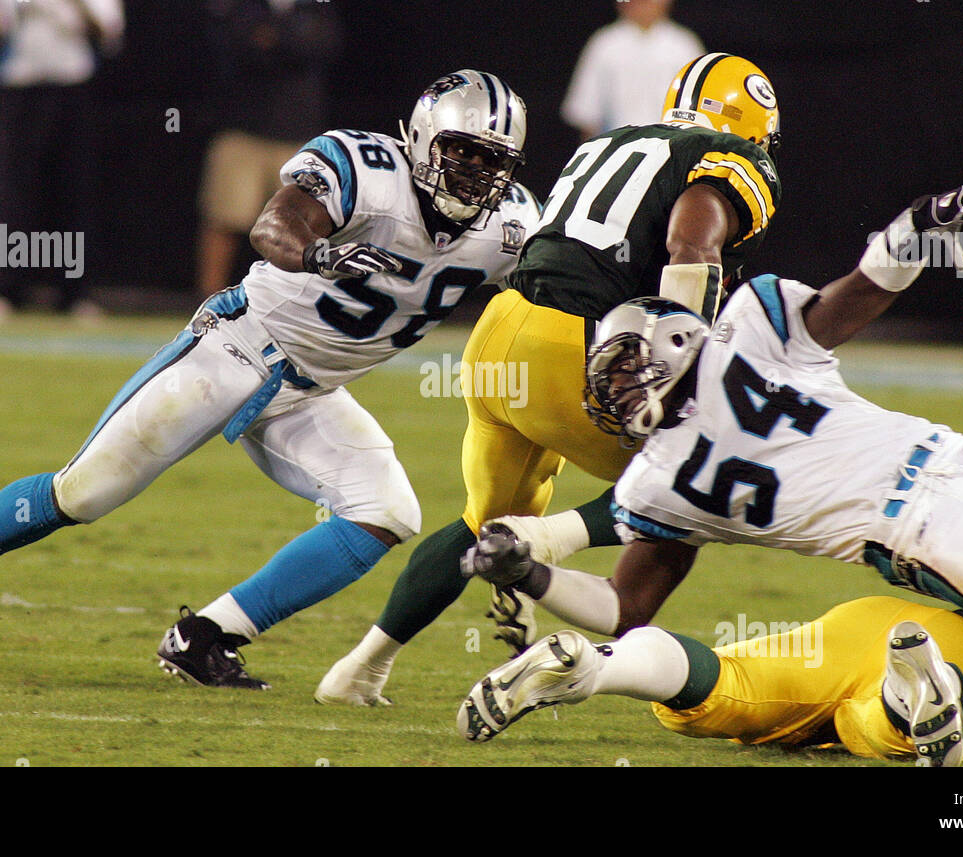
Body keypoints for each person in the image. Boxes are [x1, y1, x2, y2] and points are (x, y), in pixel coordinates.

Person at [0, 71, 539, 690]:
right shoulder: (366, 167)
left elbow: (553, 296)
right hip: (237, 348)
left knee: (386, 511)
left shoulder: (512, 224)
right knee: (82, 493)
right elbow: (274, 225)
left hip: (314, 391)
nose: (476, 174)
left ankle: (206, 636)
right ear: (420, 139)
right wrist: (321, 254)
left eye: (494, 161)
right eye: (463, 152)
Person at [459, 180, 963, 758]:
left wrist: (914, 228)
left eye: (627, 366)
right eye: (611, 380)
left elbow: (859, 294)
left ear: (678, 338)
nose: (619, 391)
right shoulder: (656, 479)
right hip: (920, 532)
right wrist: (532, 575)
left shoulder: (747, 334)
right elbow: (625, 604)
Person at [317, 54, 782, 706]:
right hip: (580, 343)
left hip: (501, 333)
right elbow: (692, 244)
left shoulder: (613, 141)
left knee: (481, 521)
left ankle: (361, 667)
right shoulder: (731, 157)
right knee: (697, 485)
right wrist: (680, 366)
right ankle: (543, 546)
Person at [455, 593, 963, 766]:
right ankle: (909, 695)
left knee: (719, 690)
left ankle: (595, 668)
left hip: (884, 623)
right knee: (913, 737)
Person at [0, 0, 124, 323]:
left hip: (73, 86)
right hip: (17, 87)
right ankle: (2, 289)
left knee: (73, 192)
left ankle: (75, 293)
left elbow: (108, 32)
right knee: (9, 195)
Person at [195, 0, 343, 299]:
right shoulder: (242, 6)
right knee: (225, 220)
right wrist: (289, 41)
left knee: (304, 226)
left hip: (299, 137)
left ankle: (299, 303)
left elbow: (322, 47)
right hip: (242, 129)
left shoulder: (315, 7)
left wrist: (273, 39)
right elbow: (230, 44)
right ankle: (208, 300)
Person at [561, 0, 705, 142]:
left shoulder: (684, 44)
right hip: (618, 147)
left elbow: (701, 111)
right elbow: (588, 114)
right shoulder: (605, 43)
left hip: (673, 146)